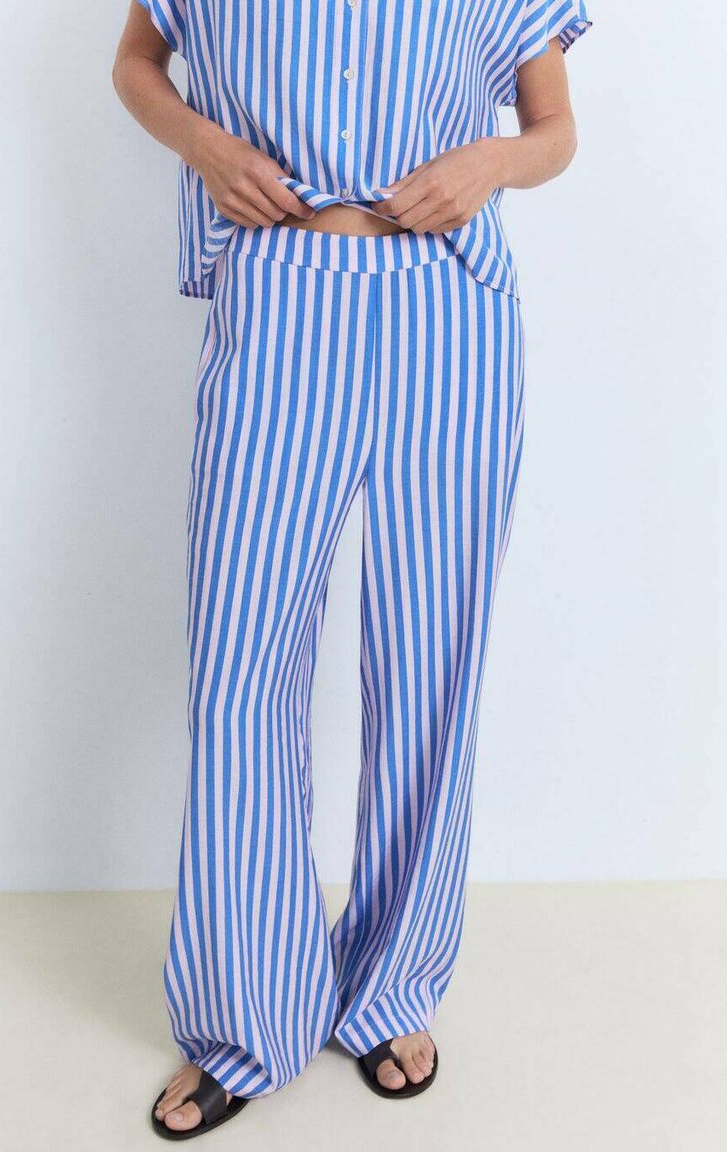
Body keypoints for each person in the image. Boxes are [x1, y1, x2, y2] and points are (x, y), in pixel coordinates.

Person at [113, 0, 592, 1138]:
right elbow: (136, 61)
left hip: (449, 315)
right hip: (279, 298)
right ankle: (247, 1017)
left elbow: (554, 131)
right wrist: (205, 146)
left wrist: (489, 164)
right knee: (241, 670)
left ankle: (391, 990)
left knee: (432, 665)